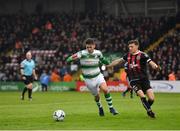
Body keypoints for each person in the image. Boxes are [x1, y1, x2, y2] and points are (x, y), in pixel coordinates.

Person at [107, 40, 161, 118]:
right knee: (142, 96)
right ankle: (150, 112)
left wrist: (156, 67)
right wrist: (109, 65)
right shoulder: (127, 55)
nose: (130, 48)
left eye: (131, 46)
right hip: (134, 80)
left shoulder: (142, 55)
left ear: (137, 46)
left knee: (152, 98)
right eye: (129, 47)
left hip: (144, 79)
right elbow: (119, 61)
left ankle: (147, 107)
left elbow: (150, 62)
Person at [66, 38, 118, 116]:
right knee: (96, 96)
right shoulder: (82, 53)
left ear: (94, 46)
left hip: (98, 76)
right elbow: (69, 59)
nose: (89, 49)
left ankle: (111, 108)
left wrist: (108, 63)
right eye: (87, 47)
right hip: (88, 79)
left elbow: (103, 60)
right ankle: (100, 107)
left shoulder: (98, 53)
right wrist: (71, 59)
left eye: (90, 47)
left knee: (105, 89)